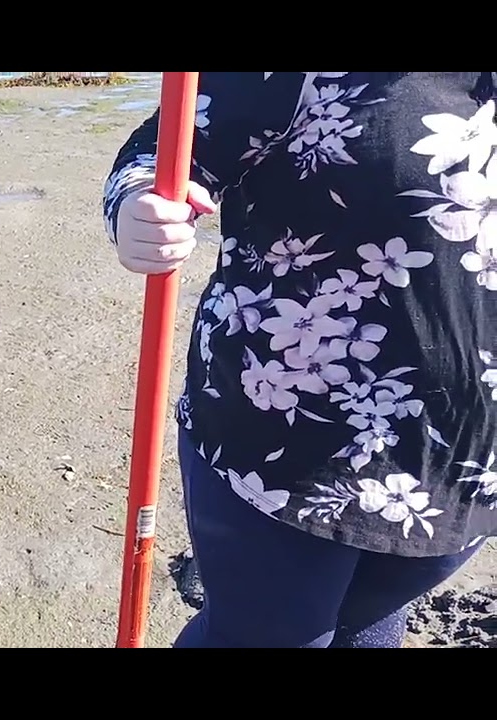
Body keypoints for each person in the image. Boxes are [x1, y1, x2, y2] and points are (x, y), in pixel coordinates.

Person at [102, 72, 497, 647]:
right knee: (267, 635)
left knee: (371, 623)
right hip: (289, 443)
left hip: (464, 456)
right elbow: (166, 150)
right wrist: (139, 205)